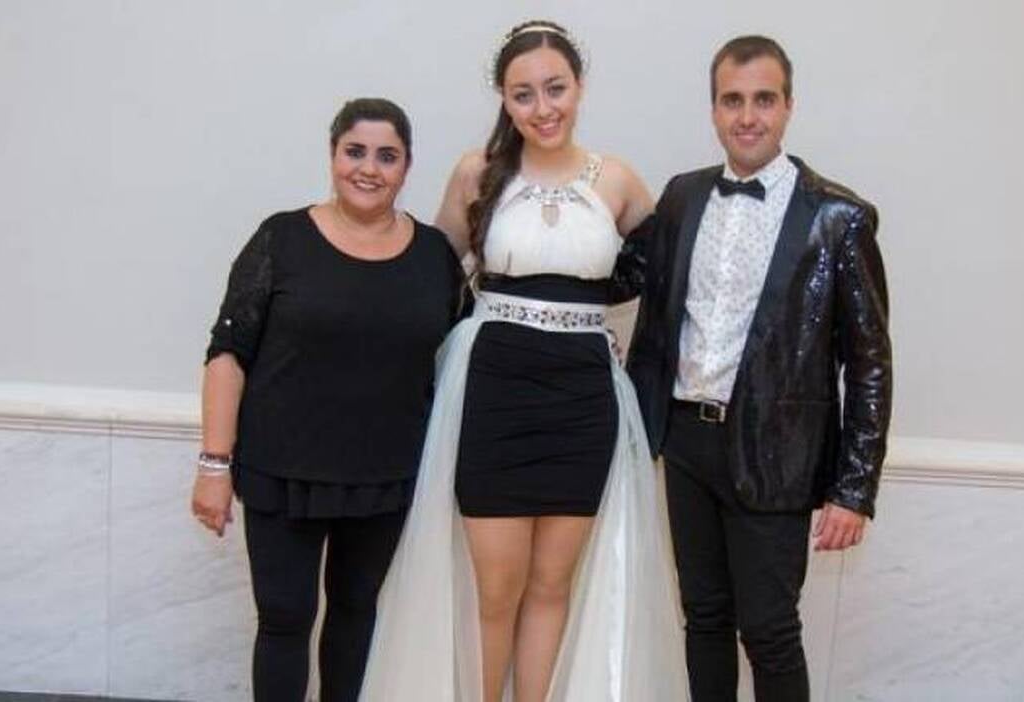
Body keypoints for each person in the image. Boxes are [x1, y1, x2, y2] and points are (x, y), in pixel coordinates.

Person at [358, 20, 688, 702]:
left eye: (555, 88)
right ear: (504, 100)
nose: (543, 108)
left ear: (580, 87)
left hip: (583, 400)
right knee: (497, 590)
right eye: (523, 94)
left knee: (550, 587)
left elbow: (663, 281)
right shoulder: (477, 173)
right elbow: (432, 279)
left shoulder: (619, 181)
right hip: (495, 391)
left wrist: (610, 336)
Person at [624, 35, 892, 702]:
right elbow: (636, 292)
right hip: (685, 442)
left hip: (778, 454)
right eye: (732, 100)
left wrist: (854, 488)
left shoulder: (838, 218)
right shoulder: (682, 197)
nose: (748, 117)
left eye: (764, 100)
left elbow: (870, 364)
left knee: (769, 631)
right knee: (704, 619)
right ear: (714, 109)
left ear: (789, 106)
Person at [190, 98, 464, 702]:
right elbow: (227, 354)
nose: (369, 168)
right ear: (333, 154)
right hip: (281, 470)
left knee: (356, 613)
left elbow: (463, 349)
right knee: (285, 619)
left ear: (407, 166)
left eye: (387, 156)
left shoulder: (434, 257)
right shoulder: (282, 238)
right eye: (355, 151)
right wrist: (213, 464)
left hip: (385, 476)